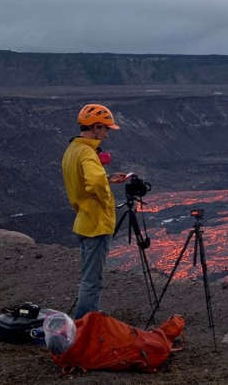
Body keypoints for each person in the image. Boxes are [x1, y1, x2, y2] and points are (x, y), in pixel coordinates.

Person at [61, 103, 127, 319]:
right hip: (96, 225)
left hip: (84, 221)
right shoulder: (88, 154)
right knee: (93, 280)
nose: (107, 134)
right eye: (106, 129)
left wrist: (107, 179)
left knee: (89, 276)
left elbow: (85, 182)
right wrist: (107, 197)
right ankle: (84, 326)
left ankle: (87, 320)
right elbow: (94, 184)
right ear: (96, 127)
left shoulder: (73, 150)